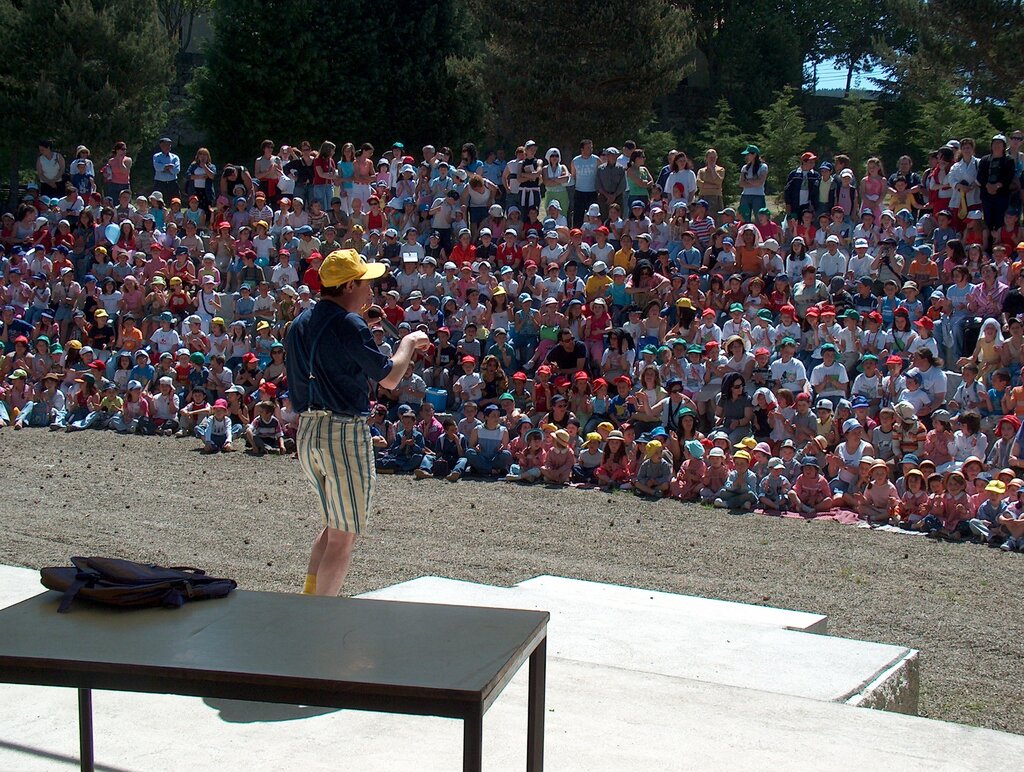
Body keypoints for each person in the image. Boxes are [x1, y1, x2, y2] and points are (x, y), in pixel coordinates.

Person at [285, 248, 429, 596]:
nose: (371, 291)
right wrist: (408, 342)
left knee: (333, 526)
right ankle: (321, 621)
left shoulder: (300, 322)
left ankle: (309, 605)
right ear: (349, 285)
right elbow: (390, 378)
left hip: (308, 430)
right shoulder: (350, 323)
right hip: (342, 432)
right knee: (344, 535)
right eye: (365, 283)